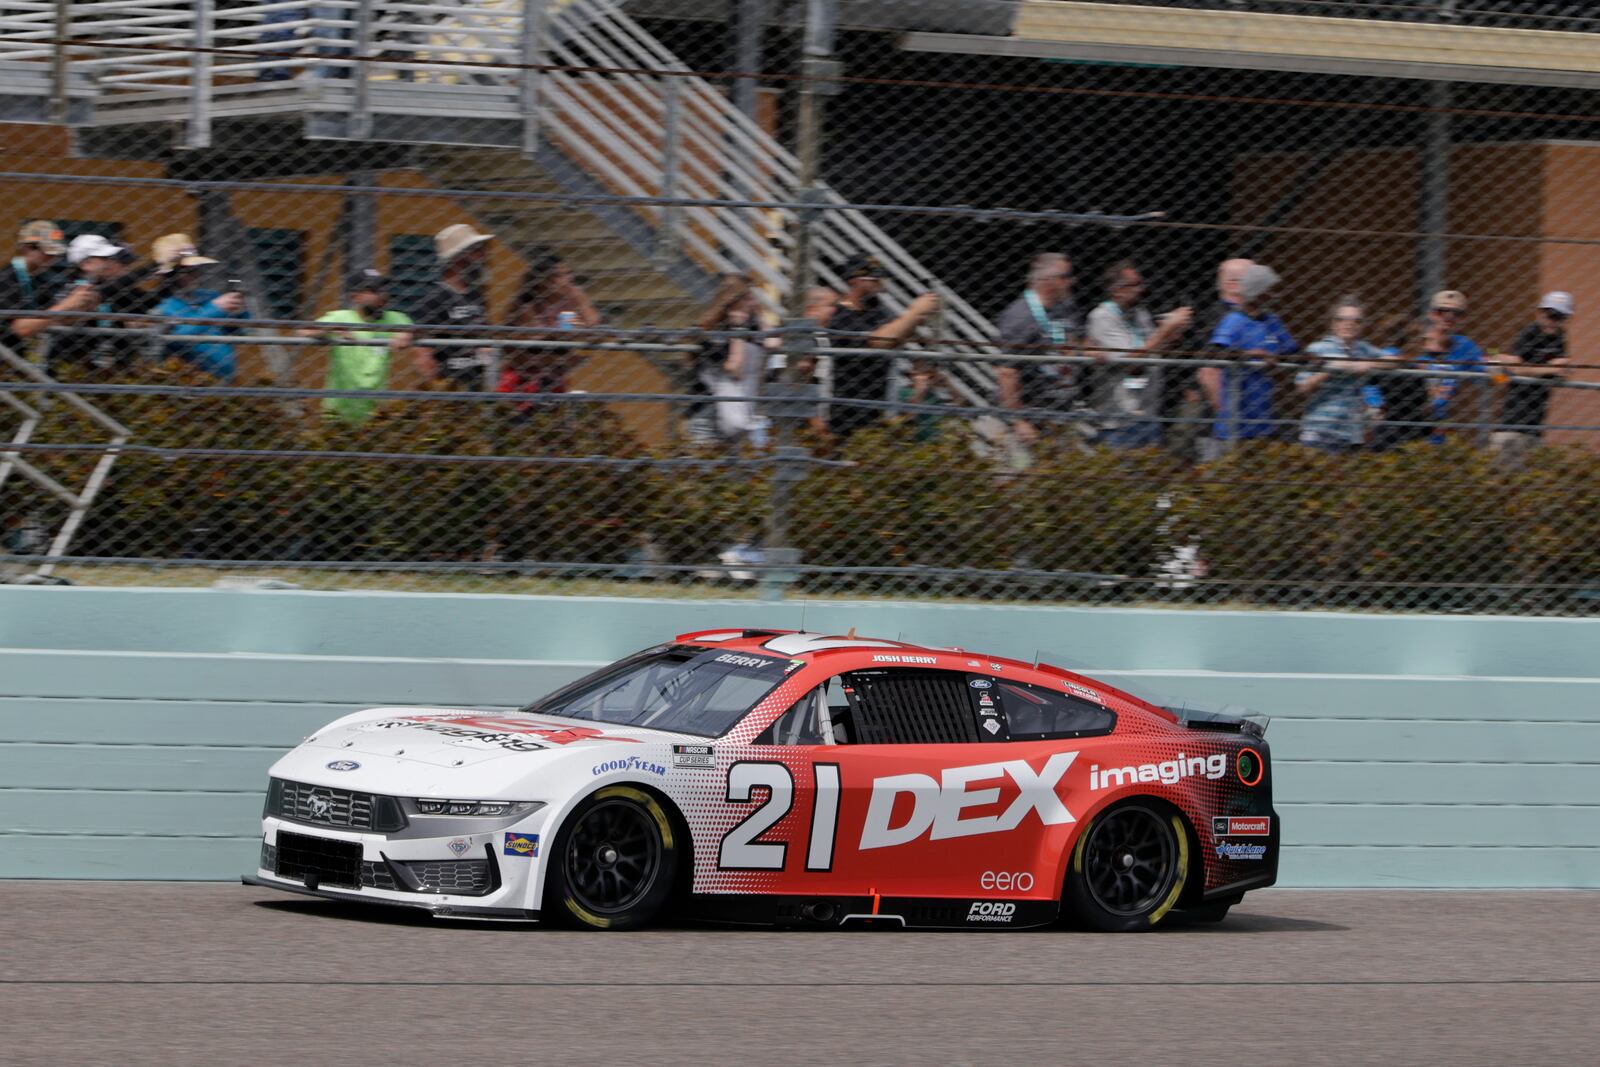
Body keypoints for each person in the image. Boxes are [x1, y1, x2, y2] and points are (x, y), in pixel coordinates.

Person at [825, 254, 939, 441]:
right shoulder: (841, 316)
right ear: (855, 281)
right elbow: (880, 341)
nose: (882, 284)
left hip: (881, 407)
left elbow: (900, 334)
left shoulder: (877, 310)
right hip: (847, 412)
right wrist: (915, 311)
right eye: (875, 279)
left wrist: (917, 319)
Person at [1084, 261, 1193, 449]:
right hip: (1120, 420)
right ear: (1117, 290)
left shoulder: (1139, 313)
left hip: (1149, 413)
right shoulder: (1102, 317)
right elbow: (1131, 363)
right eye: (1135, 284)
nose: (1141, 289)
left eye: (1141, 283)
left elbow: (1151, 348)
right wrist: (1166, 330)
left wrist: (1171, 335)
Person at [1199, 263, 1295, 458]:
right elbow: (1214, 352)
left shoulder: (1272, 321)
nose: (1276, 296)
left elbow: (1292, 350)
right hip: (1236, 415)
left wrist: (1311, 358)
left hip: (1263, 414)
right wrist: (1249, 354)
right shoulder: (1234, 320)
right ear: (1258, 292)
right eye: (1271, 290)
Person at [26, 234, 157, 377]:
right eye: (104, 259)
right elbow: (108, 290)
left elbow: (146, 302)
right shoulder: (76, 287)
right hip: (64, 368)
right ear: (85, 264)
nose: (110, 263)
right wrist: (155, 265)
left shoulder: (110, 287)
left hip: (98, 368)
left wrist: (171, 272)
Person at [1163, 257, 1252, 461]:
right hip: (1214, 410)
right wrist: (1224, 412)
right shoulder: (1221, 317)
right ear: (1232, 285)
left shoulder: (1251, 317)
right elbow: (1208, 370)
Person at [1373, 290, 1486, 449]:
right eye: (1442, 311)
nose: (1449, 317)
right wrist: (1375, 405)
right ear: (1432, 314)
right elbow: (1375, 374)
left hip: (1435, 432)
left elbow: (1488, 367)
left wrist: (1499, 365)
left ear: (1463, 319)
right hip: (1397, 427)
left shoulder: (1464, 346)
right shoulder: (1413, 340)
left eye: (1456, 313)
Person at [299, 269, 414, 424]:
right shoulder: (341, 317)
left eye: (384, 289)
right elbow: (304, 331)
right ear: (355, 297)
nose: (383, 295)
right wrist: (330, 328)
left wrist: (406, 333)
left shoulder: (395, 318)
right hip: (337, 410)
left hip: (375, 413)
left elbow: (413, 329)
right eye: (374, 290)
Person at [995, 252, 1081, 445]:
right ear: (1047, 280)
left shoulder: (1065, 308)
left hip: (1060, 413)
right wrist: (1018, 421)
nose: (1071, 282)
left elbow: (1072, 342)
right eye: (1065, 277)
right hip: (1030, 418)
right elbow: (1007, 372)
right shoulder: (1020, 316)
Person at [497, 250, 600, 399]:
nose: (568, 280)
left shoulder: (566, 305)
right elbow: (521, 356)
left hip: (554, 380)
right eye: (560, 276)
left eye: (568, 274)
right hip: (522, 381)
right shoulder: (527, 306)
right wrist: (561, 357)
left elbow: (592, 325)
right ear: (543, 282)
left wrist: (578, 298)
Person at [150, 235, 249, 382]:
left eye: (196, 269)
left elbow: (239, 332)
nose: (196, 275)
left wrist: (239, 312)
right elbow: (176, 340)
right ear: (171, 275)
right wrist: (215, 309)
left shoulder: (209, 297)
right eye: (188, 271)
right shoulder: (162, 305)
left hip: (225, 381)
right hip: (188, 380)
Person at [412, 223, 496, 389]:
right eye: (477, 250)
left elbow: (485, 337)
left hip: (478, 387)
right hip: (452, 389)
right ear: (458, 257)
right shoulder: (434, 298)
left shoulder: (475, 296)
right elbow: (422, 354)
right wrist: (439, 389)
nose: (483, 256)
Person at [1296, 298, 1387, 452]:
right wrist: (1330, 370)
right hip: (1320, 429)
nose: (1349, 324)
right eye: (1342, 319)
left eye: (1356, 321)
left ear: (1362, 326)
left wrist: (1369, 363)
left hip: (1350, 433)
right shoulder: (1318, 348)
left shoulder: (1363, 349)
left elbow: (1394, 360)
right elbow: (1302, 388)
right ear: (1333, 324)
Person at [1492, 291, 1573, 464]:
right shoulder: (1529, 333)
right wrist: (1549, 369)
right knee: (1507, 474)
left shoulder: (1560, 336)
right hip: (1513, 421)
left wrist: (1563, 369)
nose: (1555, 321)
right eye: (1551, 315)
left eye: (1561, 317)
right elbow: (1518, 369)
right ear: (1539, 312)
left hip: (1536, 423)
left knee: (1533, 477)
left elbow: (1559, 371)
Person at [686, 273, 765, 444]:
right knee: (708, 464)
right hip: (710, 412)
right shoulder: (713, 332)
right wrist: (738, 330)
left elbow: (773, 342)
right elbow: (734, 368)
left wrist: (756, 318)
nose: (753, 302)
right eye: (748, 298)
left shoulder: (750, 325)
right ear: (734, 301)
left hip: (737, 411)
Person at [0, 220, 69, 364]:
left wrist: (77, 306)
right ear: (27, 248)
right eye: (48, 252)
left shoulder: (39, 278)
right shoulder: (6, 278)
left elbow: (51, 316)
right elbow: (21, 328)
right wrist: (68, 305)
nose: (53, 258)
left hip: (20, 359)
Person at [894, 356, 957, 442]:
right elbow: (908, 418)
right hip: (910, 441)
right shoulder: (904, 391)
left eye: (930, 373)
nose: (927, 377)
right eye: (923, 373)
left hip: (934, 442)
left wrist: (948, 384)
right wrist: (921, 390)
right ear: (912, 375)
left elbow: (962, 404)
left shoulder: (935, 394)